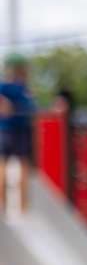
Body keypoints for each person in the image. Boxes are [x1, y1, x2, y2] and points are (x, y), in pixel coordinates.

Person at [0, 55, 36, 216]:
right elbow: (32, 110)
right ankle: (23, 207)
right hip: (18, 131)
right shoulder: (21, 88)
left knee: (3, 165)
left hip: (6, 130)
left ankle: (3, 205)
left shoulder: (4, 87)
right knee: (22, 166)